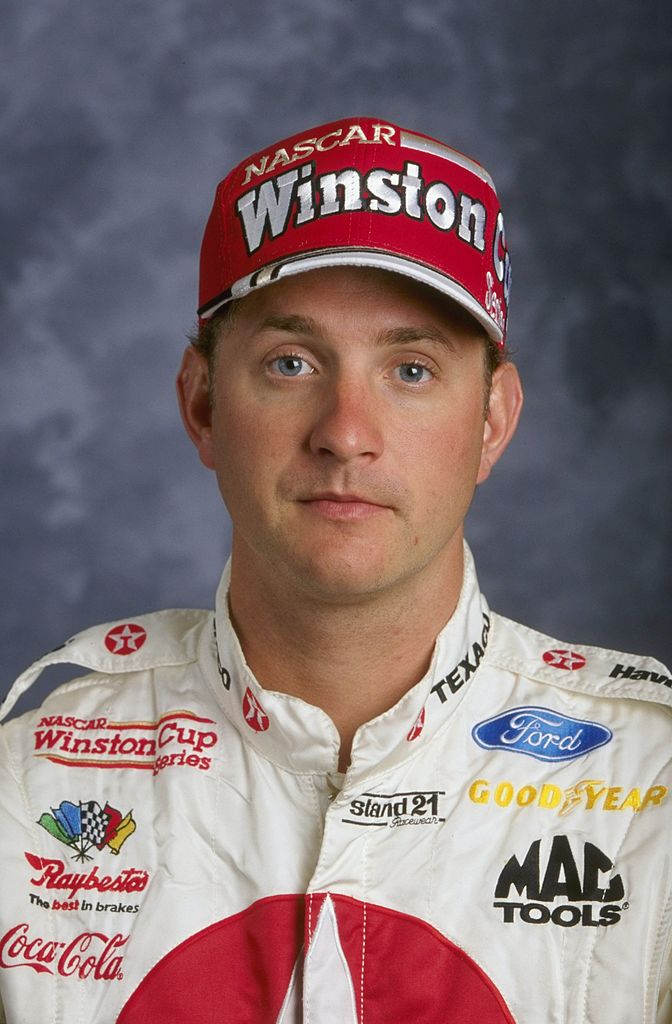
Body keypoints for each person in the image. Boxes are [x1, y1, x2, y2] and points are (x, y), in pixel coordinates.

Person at [0, 116, 670, 1024]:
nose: (345, 432)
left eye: (412, 370)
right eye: (290, 362)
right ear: (201, 404)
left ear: (493, 422)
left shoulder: (650, 790)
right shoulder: (28, 786)